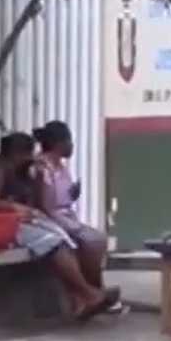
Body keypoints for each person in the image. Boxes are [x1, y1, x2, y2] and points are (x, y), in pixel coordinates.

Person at [0, 132, 118, 320]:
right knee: (54, 242)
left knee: (67, 238)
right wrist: (14, 208)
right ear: (17, 153)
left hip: (20, 220)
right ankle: (87, 294)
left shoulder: (21, 171)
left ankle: (80, 297)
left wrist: (38, 177)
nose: (30, 157)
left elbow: (34, 200)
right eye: (27, 154)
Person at [32, 120, 112, 294]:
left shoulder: (60, 167)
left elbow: (61, 198)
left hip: (65, 215)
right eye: (69, 141)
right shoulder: (43, 167)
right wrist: (70, 226)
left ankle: (95, 288)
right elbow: (45, 206)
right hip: (50, 219)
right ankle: (94, 289)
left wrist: (72, 195)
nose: (72, 146)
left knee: (99, 239)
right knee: (93, 241)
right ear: (57, 143)